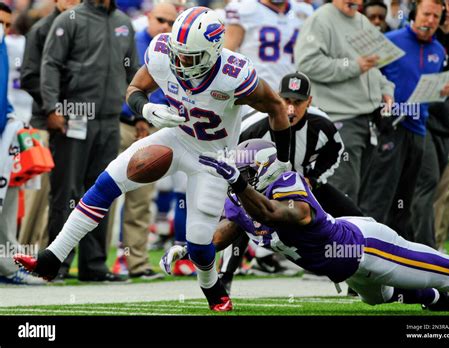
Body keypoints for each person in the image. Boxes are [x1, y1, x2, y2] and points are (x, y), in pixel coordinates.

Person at [15, 7, 292, 312]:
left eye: (190, 56)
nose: (180, 61)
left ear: (213, 52)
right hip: (174, 138)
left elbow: (277, 107)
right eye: (177, 52)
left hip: (213, 157)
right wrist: (146, 109)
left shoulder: (234, 75)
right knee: (106, 183)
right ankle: (52, 258)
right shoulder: (163, 51)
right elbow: (134, 89)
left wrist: (283, 160)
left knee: (200, 242)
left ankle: (212, 287)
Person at [194, 139, 449, 311]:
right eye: (240, 175)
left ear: (265, 169)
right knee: (380, 297)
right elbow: (224, 232)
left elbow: (277, 213)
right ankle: (434, 298)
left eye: (246, 174)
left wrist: (239, 183)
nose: (241, 181)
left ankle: (439, 289)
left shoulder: (287, 185)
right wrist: (188, 248)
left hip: (367, 247)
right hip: (345, 263)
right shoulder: (243, 201)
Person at [217, 72, 363, 287]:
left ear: (309, 101)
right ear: (277, 97)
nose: (291, 109)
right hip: (261, 188)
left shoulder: (321, 123)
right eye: (286, 100)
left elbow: (335, 151)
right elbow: (230, 156)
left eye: (298, 102)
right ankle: (225, 277)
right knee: (240, 216)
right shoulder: (252, 126)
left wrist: (314, 178)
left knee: (353, 218)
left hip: (304, 187)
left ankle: (359, 277)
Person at [38, 0, 139, 281]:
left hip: (109, 120)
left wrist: (139, 113)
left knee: (103, 193)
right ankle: (57, 264)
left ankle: (94, 265)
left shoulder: (123, 22)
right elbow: (51, 65)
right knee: (66, 193)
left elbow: (134, 74)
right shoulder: (69, 19)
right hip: (73, 117)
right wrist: (52, 108)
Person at [359, 0, 449, 240]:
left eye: (436, 16)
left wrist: (445, 90)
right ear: (414, 14)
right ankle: (362, 250)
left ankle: (399, 258)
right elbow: (369, 77)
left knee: (407, 197)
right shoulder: (391, 40)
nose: (430, 21)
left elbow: (430, 89)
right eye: (426, 14)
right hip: (391, 126)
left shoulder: (439, 50)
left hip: (419, 129)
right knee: (379, 194)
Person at [294, 0, 395, 206]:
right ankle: (339, 239)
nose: (356, 2)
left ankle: (355, 238)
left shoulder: (362, 21)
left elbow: (373, 66)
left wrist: (385, 90)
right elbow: (307, 63)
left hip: (367, 120)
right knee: (344, 193)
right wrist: (353, 66)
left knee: (361, 194)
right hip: (339, 119)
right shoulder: (320, 19)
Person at [107, 1, 178, 280]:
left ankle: (135, 263)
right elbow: (119, 84)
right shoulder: (130, 40)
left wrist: (148, 119)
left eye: (172, 23)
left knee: (140, 199)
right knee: (106, 195)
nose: (166, 27)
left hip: (150, 128)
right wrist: (137, 115)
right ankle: (96, 262)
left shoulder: (173, 48)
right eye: (161, 20)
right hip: (121, 124)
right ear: (149, 16)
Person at [19, 0, 80, 256]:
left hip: (76, 121)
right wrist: (52, 108)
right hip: (45, 123)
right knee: (39, 195)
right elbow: (30, 76)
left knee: (68, 192)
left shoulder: (84, 26)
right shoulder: (42, 29)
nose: (73, 2)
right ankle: (25, 253)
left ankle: (53, 255)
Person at [411, 0, 449, 247]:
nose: (443, 14)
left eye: (448, 7)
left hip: (448, 128)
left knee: (440, 191)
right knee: (425, 186)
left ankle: (431, 246)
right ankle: (424, 247)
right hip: (421, 122)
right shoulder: (426, 38)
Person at [0, 1, 44, 285]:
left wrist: (11, 117)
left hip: (6, 133)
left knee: (9, 200)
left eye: (7, 25)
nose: (3, 30)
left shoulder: (6, 46)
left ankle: (7, 265)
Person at [224, 0, 313, 91]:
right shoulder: (244, 8)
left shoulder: (304, 11)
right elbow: (227, 53)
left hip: (291, 89)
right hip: (254, 89)